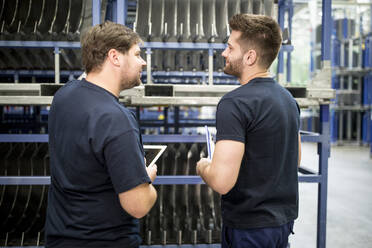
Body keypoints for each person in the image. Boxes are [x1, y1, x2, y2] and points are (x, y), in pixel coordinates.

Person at [45, 21, 157, 248]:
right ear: (115, 56)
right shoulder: (116, 118)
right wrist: (146, 179)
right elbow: (138, 205)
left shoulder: (64, 96)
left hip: (60, 239)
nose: (143, 62)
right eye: (137, 54)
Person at [196, 14, 301, 248]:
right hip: (281, 224)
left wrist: (203, 166)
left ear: (250, 56)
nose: (224, 53)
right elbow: (294, 159)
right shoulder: (288, 100)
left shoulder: (234, 104)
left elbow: (222, 182)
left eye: (230, 47)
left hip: (249, 229)